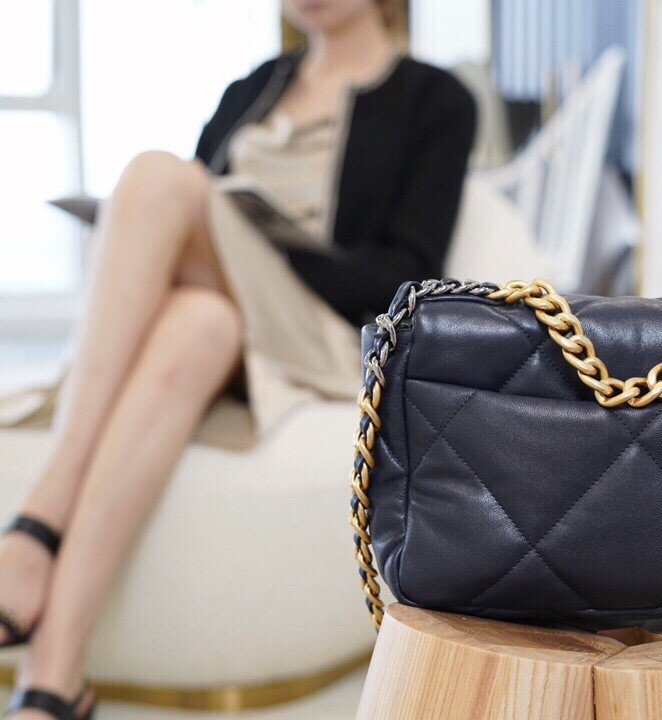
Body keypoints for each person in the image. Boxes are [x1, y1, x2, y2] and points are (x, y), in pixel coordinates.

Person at [0, 0, 476, 715]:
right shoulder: (252, 87)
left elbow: (406, 277)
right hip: (227, 317)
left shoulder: (436, 98)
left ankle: (37, 524)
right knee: (198, 321)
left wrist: (261, 247)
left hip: (318, 328)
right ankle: (55, 677)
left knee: (158, 176)